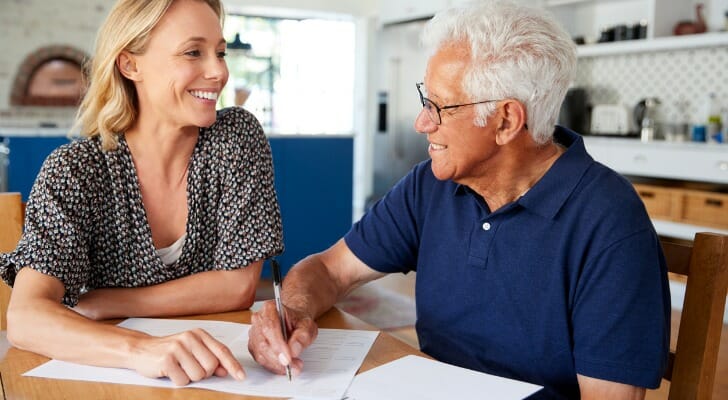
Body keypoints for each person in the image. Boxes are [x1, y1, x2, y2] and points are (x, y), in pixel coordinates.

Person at [247, 1, 670, 399]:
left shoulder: (610, 223)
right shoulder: (429, 186)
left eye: (438, 107)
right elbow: (329, 269)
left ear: (506, 120)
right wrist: (293, 311)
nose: (420, 122)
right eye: (422, 98)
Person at [1, 0, 283, 386]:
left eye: (220, 52)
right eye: (192, 52)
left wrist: (105, 302)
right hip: (104, 379)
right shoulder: (76, 169)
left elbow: (237, 286)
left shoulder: (234, 138)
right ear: (130, 65)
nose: (219, 72)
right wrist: (141, 349)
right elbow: (25, 317)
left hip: (217, 377)